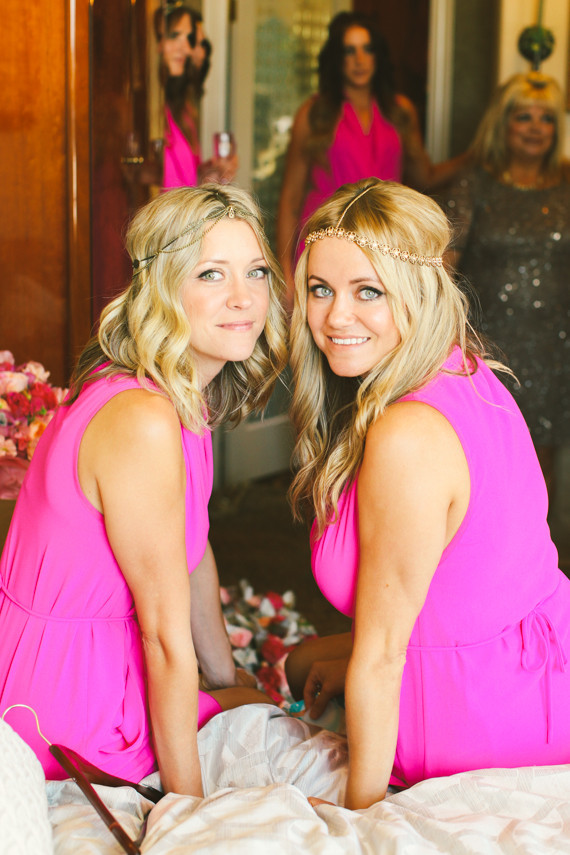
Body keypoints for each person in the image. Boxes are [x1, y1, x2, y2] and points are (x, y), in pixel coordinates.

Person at [285, 178, 570, 811]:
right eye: (320, 289)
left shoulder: (407, 434)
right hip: (538, 654)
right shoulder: (466, 367)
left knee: (321, 669)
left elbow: (384, 654)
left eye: (369, 292)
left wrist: (360, 816)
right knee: (305, 663)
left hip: (486, 710)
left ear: (416, 292)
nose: (336, 318)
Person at [0, 184, 288, 797]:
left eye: (256, 271)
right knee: (274, 725)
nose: (244, 299)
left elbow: (193, 545)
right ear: (163, 290)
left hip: (73, 659)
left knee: (248, 697)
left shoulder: (178, 392)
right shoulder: (143, 419)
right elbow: (161, 631)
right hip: (65, 698)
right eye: (211, 274)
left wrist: (223, 672)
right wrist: (186, 804)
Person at [276, 11, 467, 306]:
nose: (359, 59)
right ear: (337, 59)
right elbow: (289, 201)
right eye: (349, 51)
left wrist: (477, 155)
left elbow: (425, 176)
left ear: (378, 57)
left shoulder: (400, 112)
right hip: (324, 241)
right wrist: (285, 274)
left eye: (367, 49)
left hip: (384, 242)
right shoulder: (314, 114)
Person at [440, 72, 570, 493]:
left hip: (555, 346)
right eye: (523, 116)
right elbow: (442, 270)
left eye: (546, 118)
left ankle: (539, 553)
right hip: (488, 347)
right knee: (487, 459)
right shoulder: (474, 182)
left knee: (542, 461)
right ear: (503, 123)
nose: (535, 127)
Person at [154, 2, 236, 189]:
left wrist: (209, 175)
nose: (192, 51)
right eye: (175, 36)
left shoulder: (182, 112)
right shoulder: (151, 109)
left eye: (194, 42)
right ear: (156, 42)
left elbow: (182, 182)